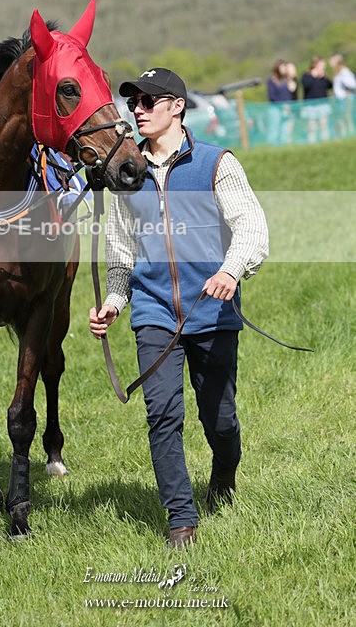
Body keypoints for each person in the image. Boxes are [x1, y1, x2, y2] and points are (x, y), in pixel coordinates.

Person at [88, 67, 269, 550]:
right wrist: (112, 301)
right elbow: (120, 247)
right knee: (162, 415)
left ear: (177, 106)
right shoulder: (127, 172)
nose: (139, 110)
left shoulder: (216, 163)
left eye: (149, 101)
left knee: (220, 419)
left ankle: (224, 476)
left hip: (212, 311)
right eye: (134, 103)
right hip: (154, 314)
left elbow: (251, 226)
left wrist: (231, 271)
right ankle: (181, 521)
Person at [301, 57, 332, 143]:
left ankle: (325, 142)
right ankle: (312, 143)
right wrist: (313, 76)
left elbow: (330, 86)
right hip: (310, 106)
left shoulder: (323, 77)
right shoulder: (306, 75)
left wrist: (324, 77)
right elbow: (306, 85)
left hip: (323, 104)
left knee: (324, 126)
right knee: (312, 128)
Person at [266, 59, 297, 144]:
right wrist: (281, 105)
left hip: (287, 108)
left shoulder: (287, 80)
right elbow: (272, 96)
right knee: (274, 128)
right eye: (283, 67)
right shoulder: (272, 80)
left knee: (285, 130)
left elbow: (292, 94)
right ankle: (272, 146)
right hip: (275, 108)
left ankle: (284, 145)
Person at [329, 54, 355, 137]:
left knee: (347, 117)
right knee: (341, 118)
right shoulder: (338, 72)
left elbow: (352, 84)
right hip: (339, 99)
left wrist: (346, 86)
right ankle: (343, 134)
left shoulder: (344, 72)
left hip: (345, 99)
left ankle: (350, 133)